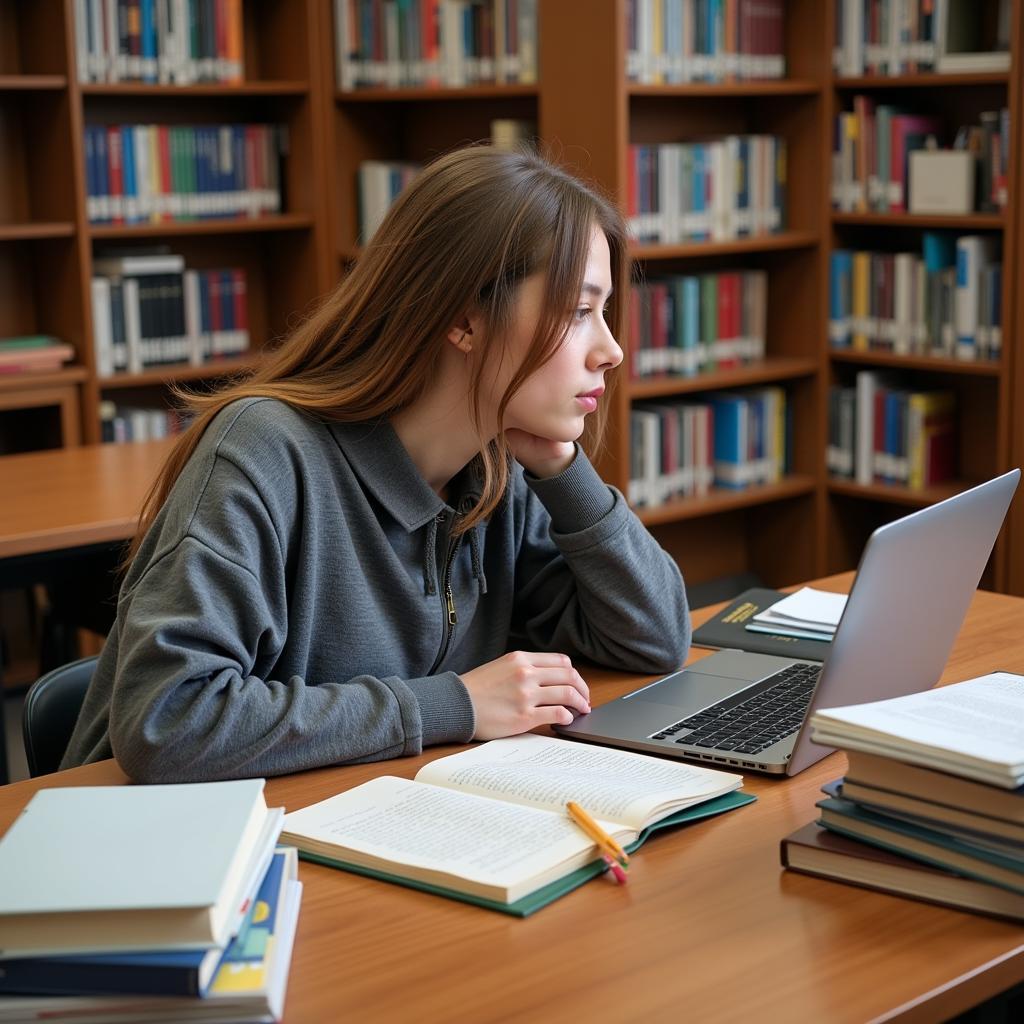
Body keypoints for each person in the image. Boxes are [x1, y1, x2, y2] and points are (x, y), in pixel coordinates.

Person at [63, 146, 691, 782]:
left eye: (605, 312)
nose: (611, 351)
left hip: (358, 818)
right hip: (170, 856)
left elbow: (652, 641)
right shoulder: (264, 450)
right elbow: (169, 720)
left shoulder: (498, 470)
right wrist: (455, 705)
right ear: (463, 319)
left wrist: (564, 471)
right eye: (579, 312)